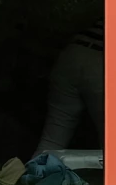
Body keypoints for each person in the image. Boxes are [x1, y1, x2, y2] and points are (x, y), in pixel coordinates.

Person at [35, 16, 104, 153]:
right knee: (115, 133)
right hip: (102, 57)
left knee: (53, 138)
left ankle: (37, 172)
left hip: (71, 53)